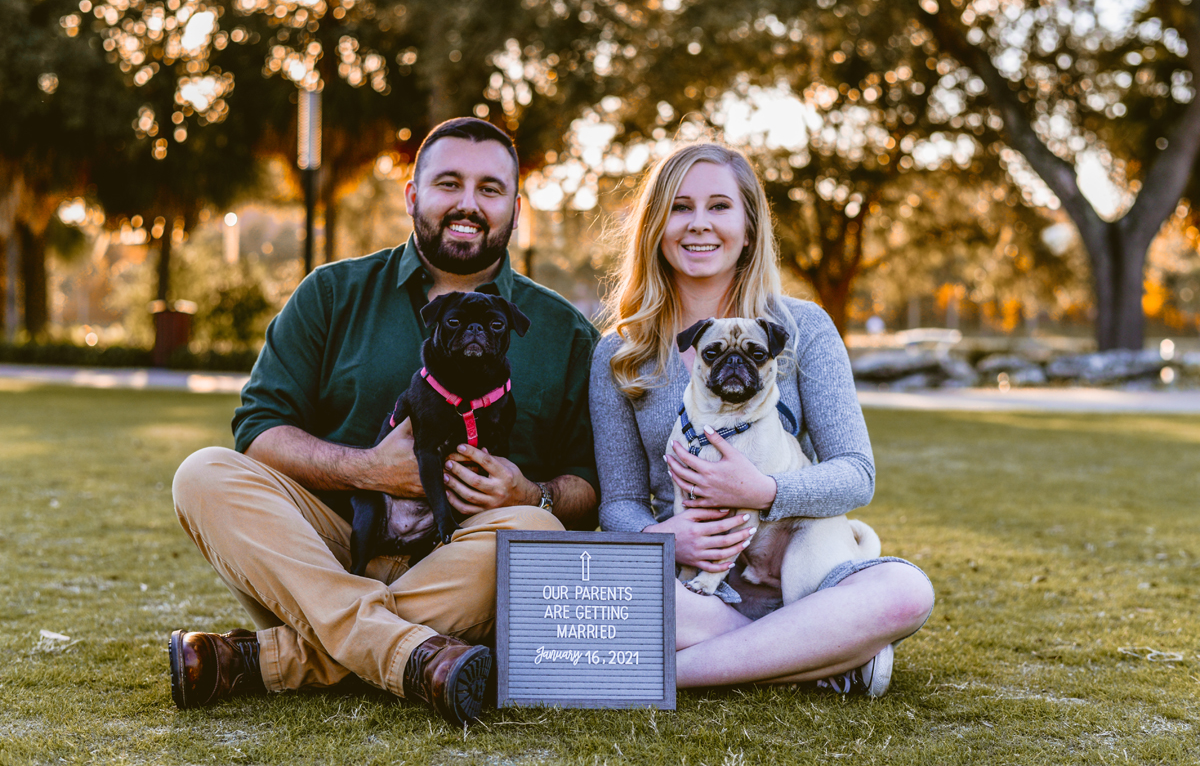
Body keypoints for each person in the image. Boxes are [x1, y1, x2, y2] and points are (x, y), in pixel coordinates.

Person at [170, 118, 599, 726]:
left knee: (535, 530)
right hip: (331, 547)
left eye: (490, 188)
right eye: (448, 183)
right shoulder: (330, 292)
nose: (468, 204)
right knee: (203, 473)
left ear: (515, 206)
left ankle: (272, 658)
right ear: (412, 194)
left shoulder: (563, 331)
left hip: (459, 562)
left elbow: (590, 481)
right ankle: (409, 652)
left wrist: (535, 492)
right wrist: (367, 469)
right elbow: (260, 430)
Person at [589, 142, 934, 694]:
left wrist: (766, 491)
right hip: (693, 582)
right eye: (679, 207)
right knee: (607, 583)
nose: (698, 224)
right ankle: (814, 651)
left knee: (907, 591)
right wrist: (663, 538)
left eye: (719, 206)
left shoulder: (803, 327)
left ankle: (672, 673)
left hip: (801, 565)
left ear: (749, 227)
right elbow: (618, 502)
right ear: (655, 225)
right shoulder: (620, 350)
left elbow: (856, 473)